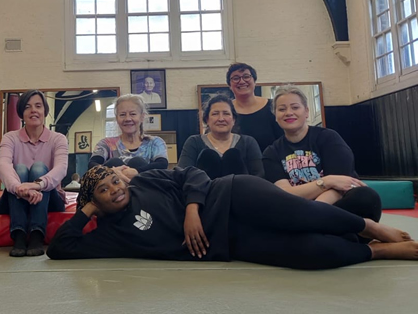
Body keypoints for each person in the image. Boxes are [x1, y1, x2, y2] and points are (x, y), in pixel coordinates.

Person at [47, 165, 418, 269]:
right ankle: (376, 251)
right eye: (104, 191)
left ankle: (368, 226)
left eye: (115, 180)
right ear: (95, 204)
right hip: (231, 242)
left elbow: (193, 174)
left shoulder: (145, 180)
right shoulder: (109, 235)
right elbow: (60, 248)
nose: (115, 188)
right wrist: (87, 210)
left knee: (301, 215)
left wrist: (192, 209)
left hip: (231, 196)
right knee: (311, 254)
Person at [263, 85, 381, 222]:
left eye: (295, 107)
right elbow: (285, 194)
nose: (289, 113)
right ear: (275, 116)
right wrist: (326, 181)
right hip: (297, 208)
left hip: (332, 206)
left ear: (306, 112)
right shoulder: (271, 152)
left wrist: (314, 212)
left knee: (366, 197)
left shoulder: (328, 138)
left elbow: (339, 187)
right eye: (282, 109)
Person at [0, 90, 68, 257]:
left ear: (45, 111)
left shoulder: (58, 139)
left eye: (38, 106)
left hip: (49, 198)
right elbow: (3, 165)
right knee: (19, 169)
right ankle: (19, 234)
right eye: (27, 107)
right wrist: (18, 187)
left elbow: (61, 169)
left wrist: (36, 185)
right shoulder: (10, 138)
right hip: (15, 194)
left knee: (39, 168)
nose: (33, 110)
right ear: (21, 113)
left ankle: (36, 234)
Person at [178, 95, 263, 178]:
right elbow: (182, 175)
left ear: (233, 119)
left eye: (226, 113)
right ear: (207, 119)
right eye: (215, 114)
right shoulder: (194, 142)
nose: (221, 119)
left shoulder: (248, 142)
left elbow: (259, 177)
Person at [88, 94, 168, 181]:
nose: (127, 119)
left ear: (142, 117)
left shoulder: (155, 142)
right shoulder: (106, 144)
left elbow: (162, 164)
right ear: (117, 118)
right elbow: (92, 165)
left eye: (133, 114)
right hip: (115, 187)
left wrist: (137, 171)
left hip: (144, 187)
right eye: (122, 115)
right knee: (114, 162)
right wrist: (112, 171)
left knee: (138, 162)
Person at [227, 62, 283, 152]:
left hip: (271, 159)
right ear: (229, 85)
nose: (241, 81)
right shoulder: (225, 111)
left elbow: (284, 139)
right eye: (236, 78)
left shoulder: (273, 106)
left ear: (254, 81)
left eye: (246, 76)